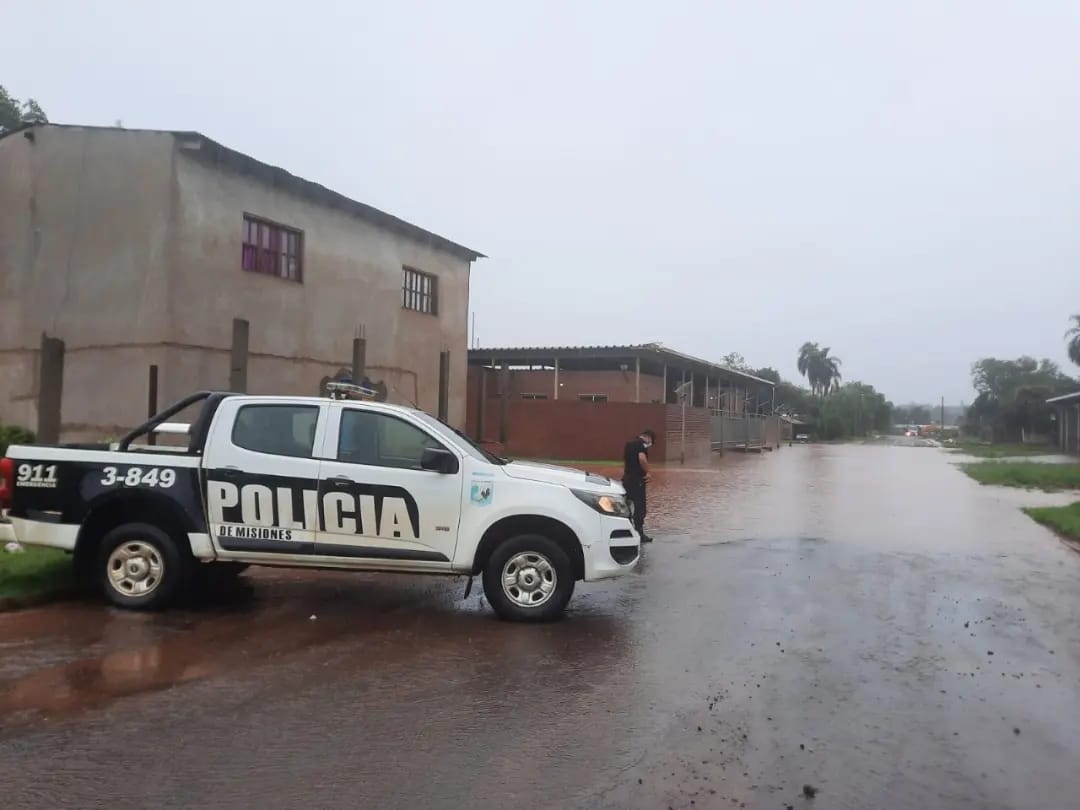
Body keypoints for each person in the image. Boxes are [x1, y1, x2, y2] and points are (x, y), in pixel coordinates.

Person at [622, 429, 656, 542]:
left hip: (627, 480)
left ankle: (626, 531)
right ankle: (639, 534)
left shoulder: (629, 444)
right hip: (637, 481)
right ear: (648, 437)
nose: (649, 444)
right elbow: (641, 458)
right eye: (651, 442)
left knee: (627, 506)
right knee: (640, 508)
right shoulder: (641, 445)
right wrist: (648, 472)